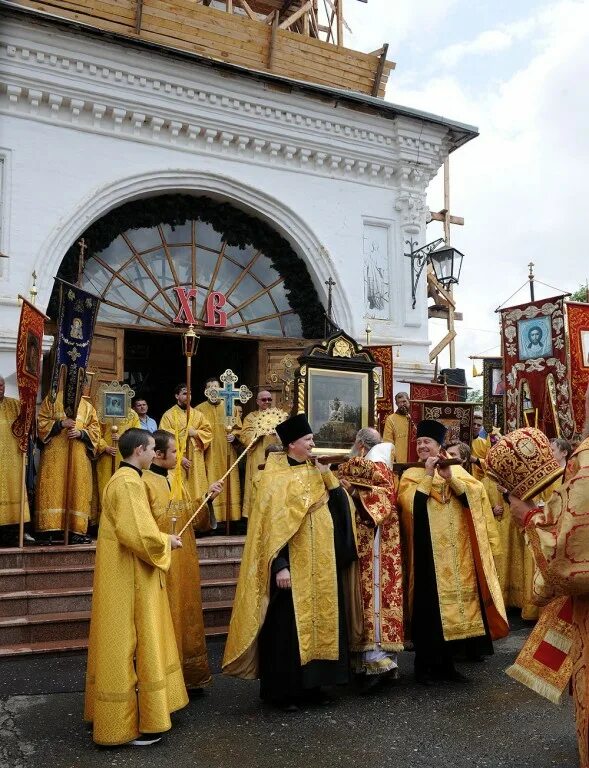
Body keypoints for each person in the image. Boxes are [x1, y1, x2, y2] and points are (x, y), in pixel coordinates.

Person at [222, 414, 357, 711]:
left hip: (320, 563)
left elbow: (340, 509)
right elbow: (268, 528)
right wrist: (279, 564)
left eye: (312, 440)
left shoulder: (316, 471)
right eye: (308, 440)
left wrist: (326, 475)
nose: (312, 444)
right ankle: (284, 692)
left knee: (322, 622)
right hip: (291, 566)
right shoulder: (273, 477)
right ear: (292, 443)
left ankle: (313, 685)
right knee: (286, 630)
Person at [84, 428, 187, 746]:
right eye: (152, 448)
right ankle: (128, 723)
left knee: (127, 640)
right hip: (129, 576)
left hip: (124, 571)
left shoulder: (122, 479)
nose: (155, 453)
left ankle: (129, 715)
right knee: (131, 640)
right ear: (140, 450)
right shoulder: (129, 483)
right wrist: (166, 541)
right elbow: (138, 534)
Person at [397, 419, 508, 685]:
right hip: (426, 553)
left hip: (457, 555)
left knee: (454, 613)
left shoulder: (455, 470)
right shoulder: (411, 474)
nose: (422, 446)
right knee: (428, 609)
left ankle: (447, 666)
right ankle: (424, 668)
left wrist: (450, 480)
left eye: (427, 443)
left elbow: (476, 494)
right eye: (419, 442)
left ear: (438, 446)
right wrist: (427, 476)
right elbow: (410, 505)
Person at [142, 429, 222, 691]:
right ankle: (164, 682)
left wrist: (206, 499)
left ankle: (188, 678)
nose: (179, 456)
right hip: (160, 560)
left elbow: (192, 516)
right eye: (174, 451)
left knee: (186, 612)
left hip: (185, 559)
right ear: (158, 454)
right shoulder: (142, 483)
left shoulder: (176, 478)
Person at [340, 428, 404, 691]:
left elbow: (381, 505)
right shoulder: (376, 465)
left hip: (376, 545)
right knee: (365, 597)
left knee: (375, 596)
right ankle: (366, 662)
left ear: (360, 446)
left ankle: (378, 662)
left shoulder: (376, 465)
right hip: (367, 541)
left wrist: (354, 493)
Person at [36, 389, 100, 543]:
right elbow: (41, 422)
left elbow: (95, 430)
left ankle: (75, 530)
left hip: (78, 457)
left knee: (76, 488)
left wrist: (81, 434)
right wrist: (60, 424)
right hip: (55, 457)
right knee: (53, 488)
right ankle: (49, 530)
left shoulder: (87, 406)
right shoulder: (51, 399)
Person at [195, 377, 242, 522]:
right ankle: (212, 518)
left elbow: (239, 428)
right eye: (210, 387)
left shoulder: (230, 407)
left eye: (215, 387)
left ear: (221, 389)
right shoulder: (199, 410)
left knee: (229, 482)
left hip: (227, 450)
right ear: (205, 391)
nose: (213, 390)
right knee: (211, 481)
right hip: (208, 453)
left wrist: (234, 436)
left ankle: (231, 518)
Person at [160, 384, 213, 511]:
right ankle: (180, 521)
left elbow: (208, 433)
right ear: (176, 396)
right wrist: (180, 458)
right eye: (184, 393)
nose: (188, 396)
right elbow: (163, 439)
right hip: (176, 460)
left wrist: (195, 433)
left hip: (195, 459)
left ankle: (199, 520)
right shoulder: (168, 415)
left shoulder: (198, 415)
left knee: (197, 489)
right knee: (177, 489)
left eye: (190, 393)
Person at [238, 390, 288, 518]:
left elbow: (287, 438)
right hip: (257, 457)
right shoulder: (251, 417)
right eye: (264, 399)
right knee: (257, 486)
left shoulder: (279, 415)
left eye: (269, 399)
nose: (267, 402)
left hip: (276, 457)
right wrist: (260, 432)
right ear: (257, 402)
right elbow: (245, 438)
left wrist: (278, 432)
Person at [93, 406, 140, 522]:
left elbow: (137, 434)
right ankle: (104, 522)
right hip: (106, 458)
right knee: (105, 486)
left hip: (126, 457)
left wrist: (123, 438)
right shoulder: (102, 412)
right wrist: (105, 447)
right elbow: (95, 432)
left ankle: (124, 521)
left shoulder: (132, 414)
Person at [0, 376, 31, 546]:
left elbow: (26, 423)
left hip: (13, 459)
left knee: (14, 491)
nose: (1, 388)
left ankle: (14, 533)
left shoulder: (14, 404)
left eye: (2, 385)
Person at [382, 391, 413, 463]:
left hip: (417, 459)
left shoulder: (415, 416)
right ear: (396, 404)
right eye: (399, 402)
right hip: (400, 461)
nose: (402, 404)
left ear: (409, 400)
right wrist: (392, 460)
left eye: (404, 401)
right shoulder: (391, 419)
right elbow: (388, 442)